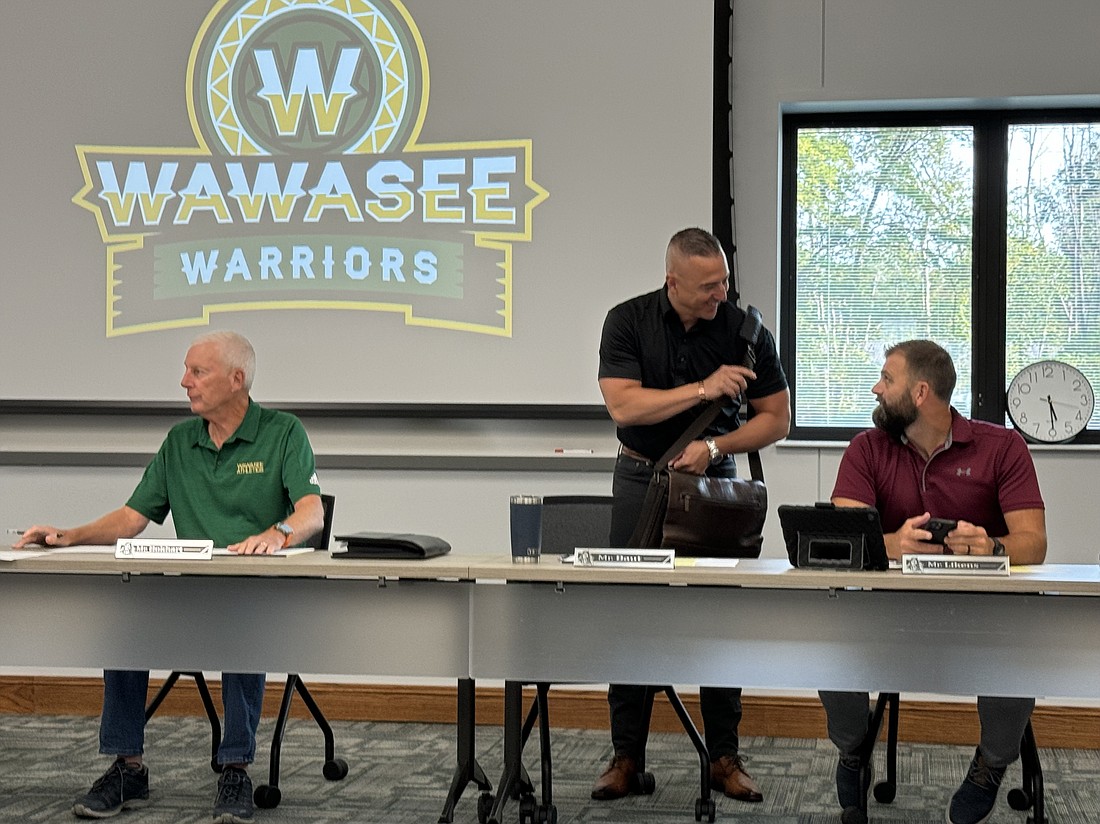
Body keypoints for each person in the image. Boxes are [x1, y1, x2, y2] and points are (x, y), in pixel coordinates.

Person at [16, 330, 324, 824]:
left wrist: (277, 533)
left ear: (236, 379)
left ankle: (235, 767)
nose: (184, 382)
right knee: (125, 626)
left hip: (253, 592)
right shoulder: (181, 440)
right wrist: (69, 534)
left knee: (242, 631)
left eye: (197, 372)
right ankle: (128, 766)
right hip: (188, 588)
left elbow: (311, 513)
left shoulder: (283, 432)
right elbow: (134, 517)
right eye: (187, 371)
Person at [594, 227, 791, 803]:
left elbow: (776, 419)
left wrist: (716, 447)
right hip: (639, 476)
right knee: (629, 614)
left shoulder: (744, 330)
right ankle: (627, 757)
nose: (719, 295)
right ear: (671, 281)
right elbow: (623, 403)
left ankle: (723, 757)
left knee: (717, 615)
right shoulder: (626, 321)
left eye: (724, 282)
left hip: (713, 481)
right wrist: (704, 389)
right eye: (707, 286)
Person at [819, 340, 1046, 824]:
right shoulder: (867, 447)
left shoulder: (1002, 446)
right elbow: (843, 539)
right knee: (830, 632)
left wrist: (993, 548)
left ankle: (990, 765)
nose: (876, 389)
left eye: (887, 379)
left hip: (982, 610)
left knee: (1024, 641)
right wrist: (889, 544)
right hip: (887, 609)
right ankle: (854, 749)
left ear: (920, 392)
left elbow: (1035, 542)